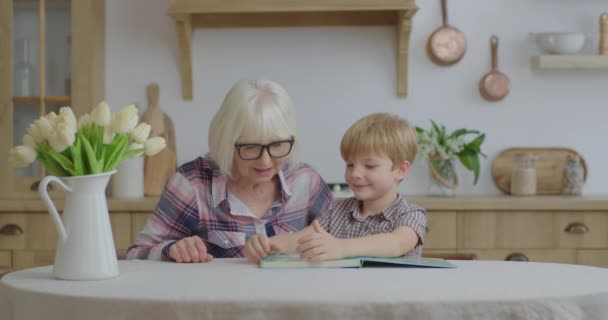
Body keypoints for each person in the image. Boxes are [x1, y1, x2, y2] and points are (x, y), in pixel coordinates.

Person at [126, 79, 334, 263]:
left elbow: (343, 241)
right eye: (250, 147)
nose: (265, 161)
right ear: (226, 141)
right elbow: (136, 254)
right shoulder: (192, 184)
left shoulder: (305, 181)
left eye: (277, 145)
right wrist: (170, 250)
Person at [244, 112, 426, 262]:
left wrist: (340, 247)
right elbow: (297, 240)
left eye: (370, 166)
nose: (355, 174)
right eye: (350, 165)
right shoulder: (337, 212)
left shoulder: (410, 215)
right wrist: (267, 245)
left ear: (401, 170)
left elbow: (396, 243)